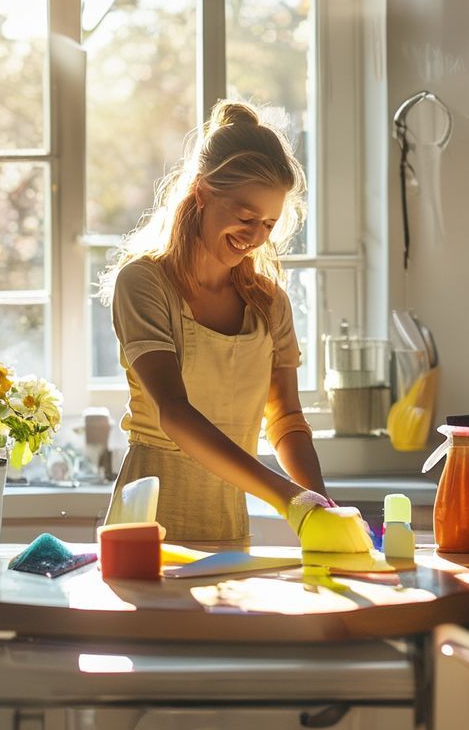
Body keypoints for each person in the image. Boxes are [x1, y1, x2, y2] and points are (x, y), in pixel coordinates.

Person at [100, 99, 370, 549]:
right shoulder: (144, 283)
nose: (257, 237)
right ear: (202, 192)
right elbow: (175, 413)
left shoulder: (269, 303)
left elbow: (284, 418)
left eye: (269, 223)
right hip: (146, 525)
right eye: (246, 217)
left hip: (229, 528)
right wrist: (289, 500)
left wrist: (322, 506)